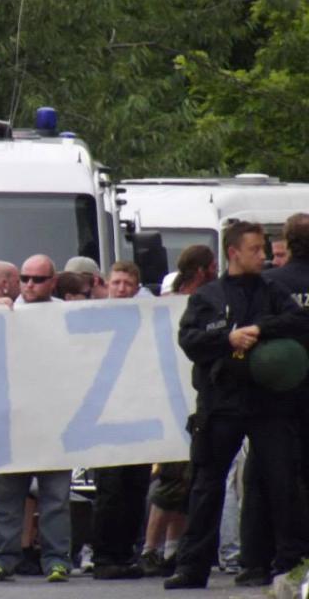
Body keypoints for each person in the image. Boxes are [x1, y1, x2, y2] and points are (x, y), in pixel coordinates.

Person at [164, 221, 309, 590]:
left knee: (282, 482)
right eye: (255, 249)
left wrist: (260, 329)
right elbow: (190, 338)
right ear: (234, 253)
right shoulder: (208, 296)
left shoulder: (273, 290)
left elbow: (298, 321)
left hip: (268, 403)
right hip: (221, 402)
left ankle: (289, 562)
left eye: (264, 249)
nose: (262, 256)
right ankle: (192, 565)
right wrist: (227, 337)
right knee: (206, 485)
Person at [0, 254, 72, 584]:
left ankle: (57, 559)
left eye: (38, 279)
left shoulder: (67, 314)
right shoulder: (4, 311)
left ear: (53, 281)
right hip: (11, 421)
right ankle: (3, 558)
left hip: (54, 422)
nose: (30, 285)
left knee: (56, 499)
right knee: (7, 500)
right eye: (26, 278)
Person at [237, 213, 309, 585]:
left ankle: (255, 561)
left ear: (287, 242)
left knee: (264, 477)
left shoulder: (268, 284)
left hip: (273, 395)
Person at [139, 246, 217, 578]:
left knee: (189, 478)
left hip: (194, 396)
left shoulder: (207, 297)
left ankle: (173, 548)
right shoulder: (176, 300)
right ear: (201, 270)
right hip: (170, 397)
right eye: (211, 266)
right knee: (171, 479)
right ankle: (150, 549)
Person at [91, 261, 151, 581]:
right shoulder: (94, 317)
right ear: (107, 284)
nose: (121, 289)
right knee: (110, 489)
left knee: (135, 488)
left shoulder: (148, 318)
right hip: (104, 417)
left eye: (128, 283)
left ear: (136, 286)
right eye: (116, 283)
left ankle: (126, 553)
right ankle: (104, 555)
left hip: (138, 414)